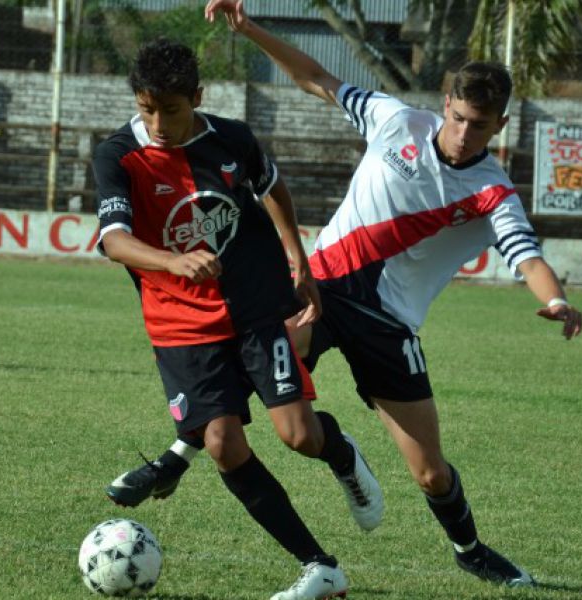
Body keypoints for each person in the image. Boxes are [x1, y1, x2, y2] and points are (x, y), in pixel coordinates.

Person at [118, 3, 582, 589]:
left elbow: (527, 256)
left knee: (430, 474)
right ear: (446, 104)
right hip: (323, 288)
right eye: (461, 117)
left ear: (501, 125)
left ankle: (470, 550)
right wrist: (251, 27)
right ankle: (177, 460)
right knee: (251, 374)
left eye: (482, 125)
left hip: (389, 325)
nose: (467, 135)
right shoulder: (395, 120)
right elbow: (317, 77)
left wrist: (556, 299)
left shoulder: (492, 192)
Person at [94, 38, 386, 600]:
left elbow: (271, 185)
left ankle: (342, 452)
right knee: (225, 444)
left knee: (298, 435)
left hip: (254, 305)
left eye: (171, 111)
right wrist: (174, 261)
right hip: (179, 325)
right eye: (146, 108)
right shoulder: (118, 156)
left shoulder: (232, 139)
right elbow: (114, 241)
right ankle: (320, 567)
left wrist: (298, 257)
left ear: (197, 98)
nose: (157, 123)